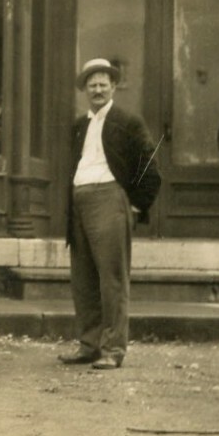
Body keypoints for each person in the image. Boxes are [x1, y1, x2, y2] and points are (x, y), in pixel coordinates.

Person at [58, 58, 161, 370]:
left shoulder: (128, 122)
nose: (98, 89)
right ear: (85, 90)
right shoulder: (79, 126)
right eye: (92, 85)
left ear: (113, 87)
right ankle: (89, 345)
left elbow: (150, 169)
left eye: (103, 84)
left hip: (109, 201)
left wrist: (134, 206)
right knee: (83, 279)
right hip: (80, 203)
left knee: (111, 280)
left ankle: (113, 349)